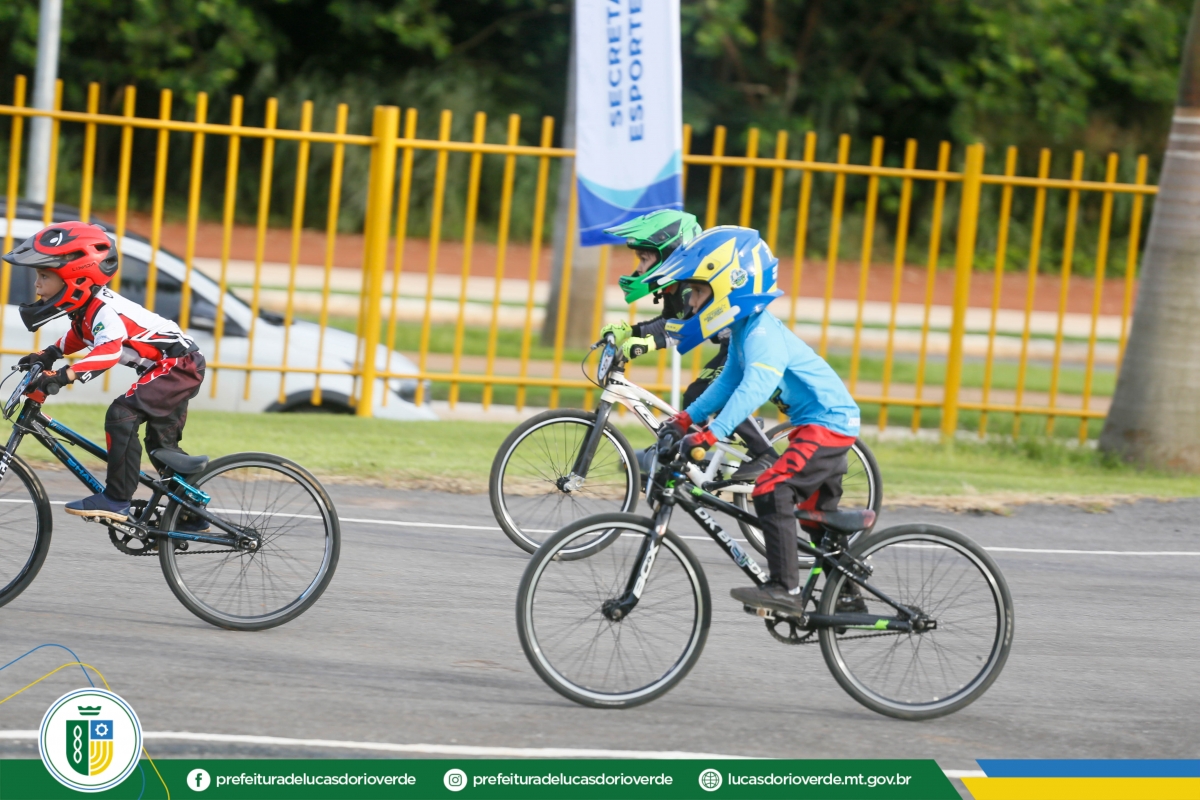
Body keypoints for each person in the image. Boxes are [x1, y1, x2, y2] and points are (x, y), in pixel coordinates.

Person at [652, 226, 862, 616]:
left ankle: (785, 589)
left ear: (729, 287)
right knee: (817, 521)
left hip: (828, 424)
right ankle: (848, 595)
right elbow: (727, 384)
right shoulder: (744, 330)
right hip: (817, 425)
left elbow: (754, 389)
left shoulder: (762, 334)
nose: (691, 302)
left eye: (697, 291)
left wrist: (711, 435)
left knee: (771, 487)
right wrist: (685, 419)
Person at [2, 221, 207, 525]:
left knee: (121, 415)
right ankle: (193, 511)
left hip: (177, 365)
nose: (37, 285)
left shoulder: (104, 311)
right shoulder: (87, 310)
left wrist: (64, 376)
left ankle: (117, 500)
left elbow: (108, 351)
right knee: (160, 448)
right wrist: (49, 354)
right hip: (174, 367)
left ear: (75, 278)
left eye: (44, 276)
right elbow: (81, 335)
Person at [599, 210, 777, 480]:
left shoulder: (688, 286)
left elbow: (692, 327)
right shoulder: (676, 287)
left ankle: (764, 454)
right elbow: (670, 322)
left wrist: (647, 343)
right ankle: (691, 465)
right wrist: (631, 331)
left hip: (743, 345)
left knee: (705, 393)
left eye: (644, 259)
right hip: (730, 347)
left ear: (669, 254)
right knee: (694, 399)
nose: (639, 269)